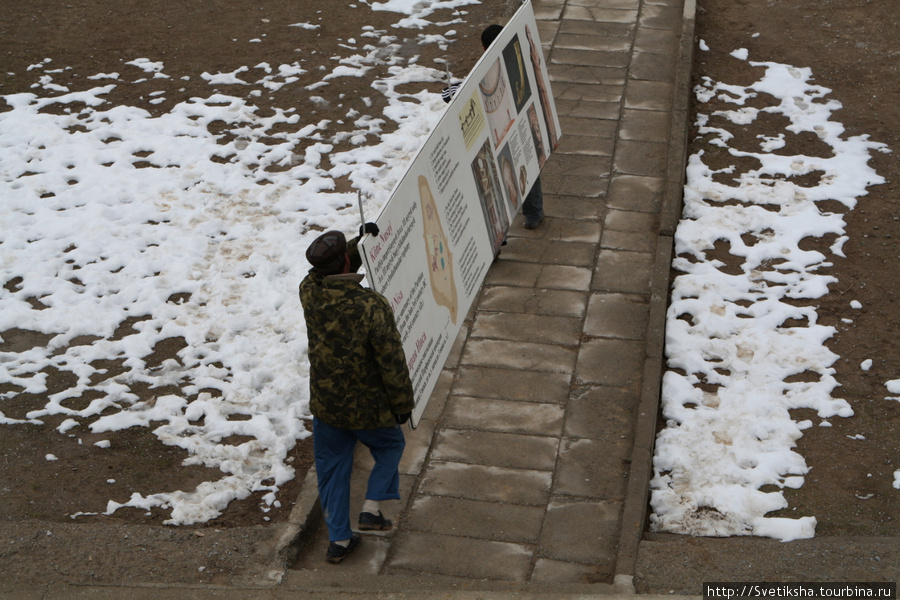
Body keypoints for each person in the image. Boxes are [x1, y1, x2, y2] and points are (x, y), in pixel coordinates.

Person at [299, 225, 415, 564]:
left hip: (326, 406)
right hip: (368, 409)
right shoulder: (370, 306)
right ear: (348, 263)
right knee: (391, 445)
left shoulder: (309, 291)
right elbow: (391, 362)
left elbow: (317, 273)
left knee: (332, 470)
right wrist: (402, 405)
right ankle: (371, 508)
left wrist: (355, 243)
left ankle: (339, 540)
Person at [443, 23, 545, 230]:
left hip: (494, 133)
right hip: (518, 123)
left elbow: (446, 95)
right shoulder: (516, 59)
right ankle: (534, 213)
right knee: (526, 162)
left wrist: (456, 89)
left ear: (483, 48)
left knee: (495, 182)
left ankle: (500, 237)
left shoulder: (481, 72)